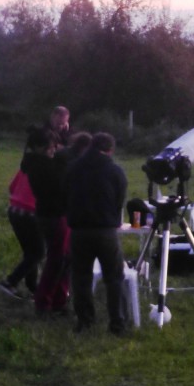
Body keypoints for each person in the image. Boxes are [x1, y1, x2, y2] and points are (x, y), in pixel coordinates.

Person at [65, 132, 129, 335]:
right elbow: (120, 200)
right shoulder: (115, 171)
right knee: (114, 278)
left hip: (79, 230)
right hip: (105, 230)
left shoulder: (74, 167)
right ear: (110, 150)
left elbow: (65, 192)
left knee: (81, 277)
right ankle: (117, 322)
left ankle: (85, 321)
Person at [21, 126, 71, 315]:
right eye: (52, 146)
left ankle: (57, 300)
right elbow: (60, 184)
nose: (54, 149)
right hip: (54, 215)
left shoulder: (35, 163)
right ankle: (44, 302)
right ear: (41, 147)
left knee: (61, 259)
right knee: (57, 261)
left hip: (48, 214)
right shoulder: (44, 166)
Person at [0, 128, 45, 300]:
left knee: (30, 252)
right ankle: (10, 282)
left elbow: (12, 187)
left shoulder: (27, 165)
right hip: (30, 214)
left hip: (14, 211)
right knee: (38, 253)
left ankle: (33, 287)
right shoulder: (44, 166)